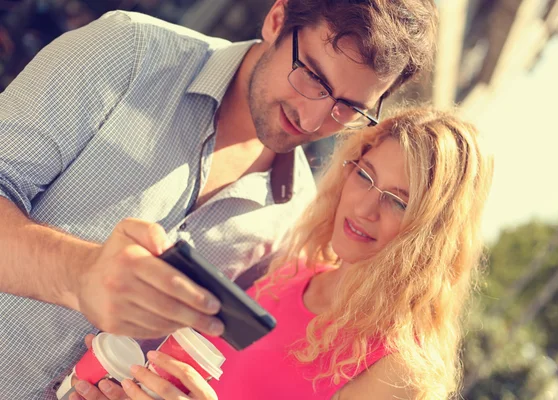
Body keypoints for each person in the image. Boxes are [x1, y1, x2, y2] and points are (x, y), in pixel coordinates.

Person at [0, 0, 439, 398]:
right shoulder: (127, 51)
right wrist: (78, 274)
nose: (312, 119)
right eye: (311, 77)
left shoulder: (291, 221)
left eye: (348, 107)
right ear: (276, 19)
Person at [87, 107, 494, 400]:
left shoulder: (399, 369)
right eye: (365, 176)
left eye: (398, 202)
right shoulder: (291, 273)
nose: (364, 208)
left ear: (431, 234)